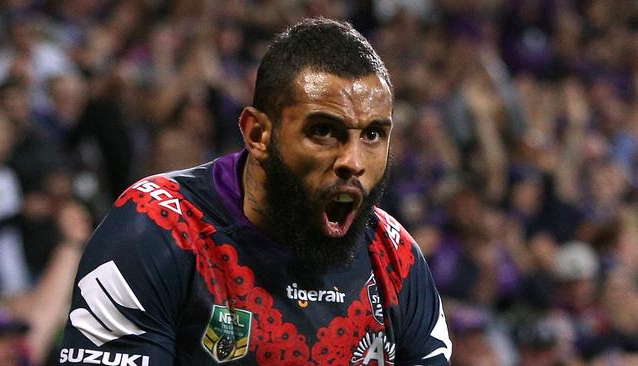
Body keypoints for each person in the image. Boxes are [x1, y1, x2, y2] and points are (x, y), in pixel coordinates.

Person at [59, 17, 452, 365]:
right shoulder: (158, 228)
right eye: (323, 130)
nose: (353, 160)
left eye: (372, 134)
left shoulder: (394, 256)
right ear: (258, 134)